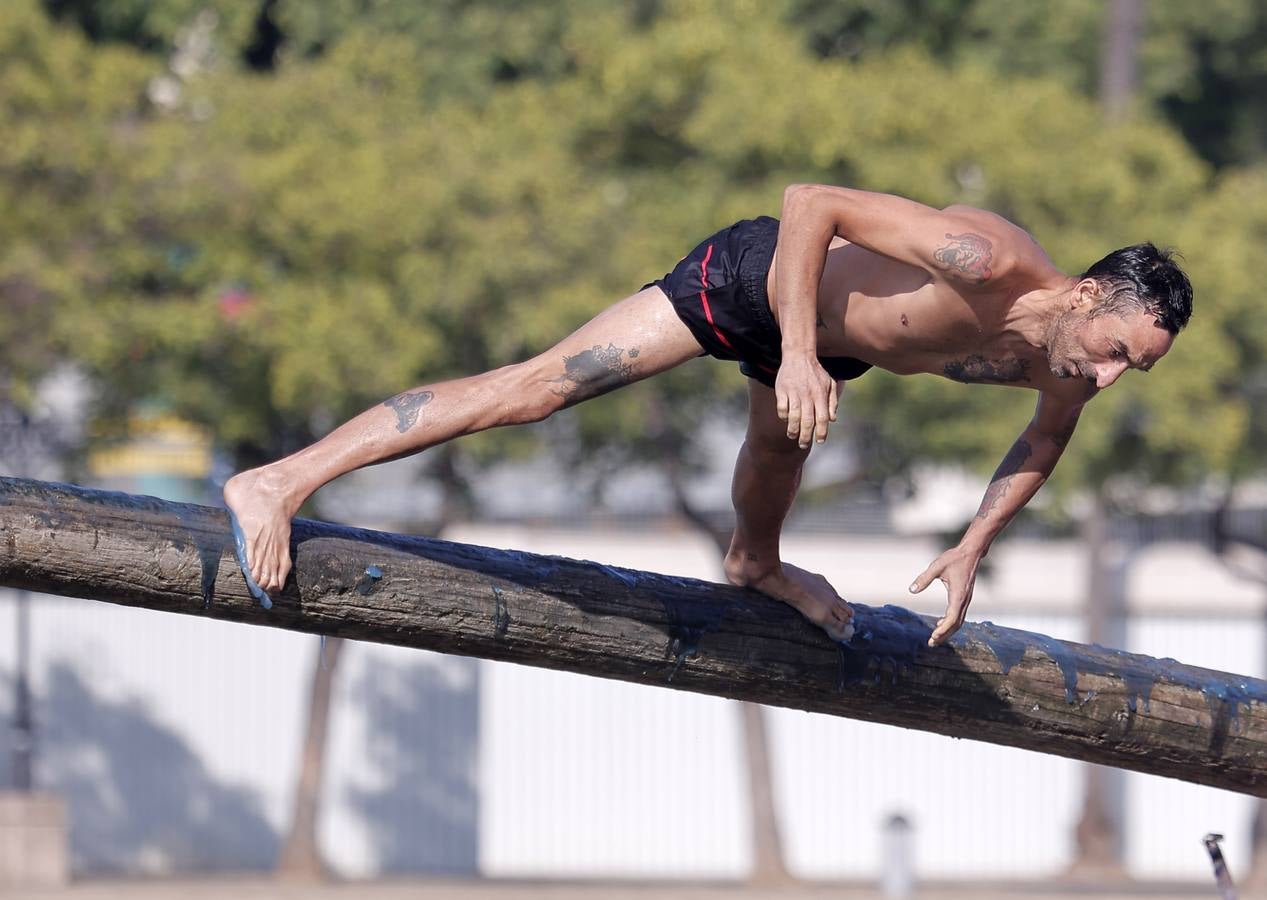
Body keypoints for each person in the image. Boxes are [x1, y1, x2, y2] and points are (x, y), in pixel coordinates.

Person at [225, 183, 1193, 647]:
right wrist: (802, 354)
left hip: (830, 349)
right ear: (1084, 296)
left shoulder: (1063, 366)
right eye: (1115, 354)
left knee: (775, 465)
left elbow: (1042, 442)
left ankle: (755, 564)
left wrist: (976, 541)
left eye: (1129, 374)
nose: (1105, 381)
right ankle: (279, 481)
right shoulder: (985, 258)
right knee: (535, 391)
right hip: (751, 280)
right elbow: (811, 202)